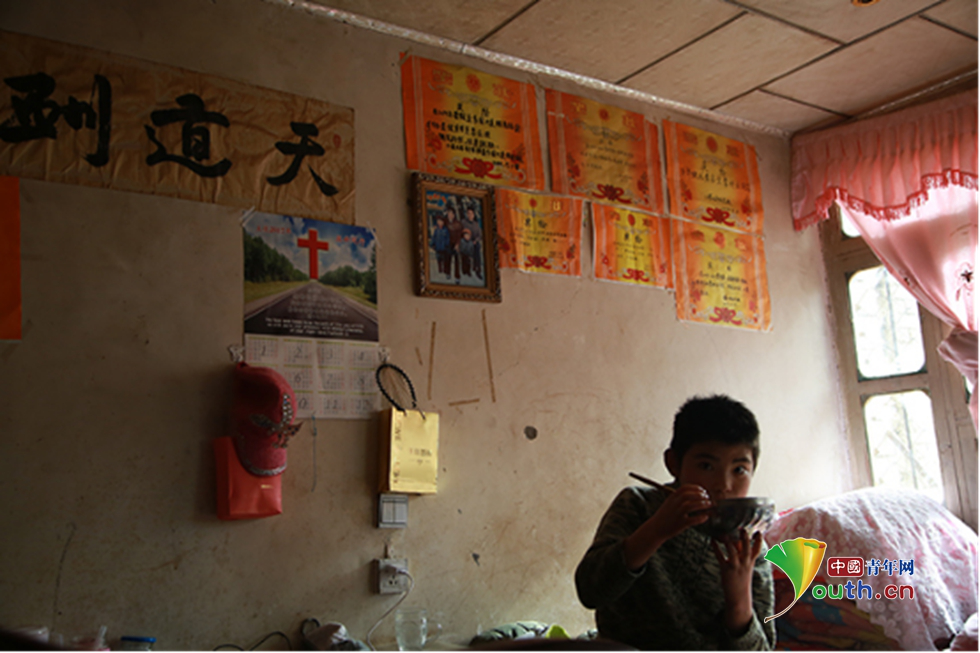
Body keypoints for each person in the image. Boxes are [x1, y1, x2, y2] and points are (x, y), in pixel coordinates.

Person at [574, 394, 775, 650]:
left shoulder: (749, 549)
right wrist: (656, 530)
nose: (723, 485)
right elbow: (590, 591)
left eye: (739, 470)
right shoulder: (639, 506)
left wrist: (739, 602)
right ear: (674, 463)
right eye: (706, 465)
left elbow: (763, 649)